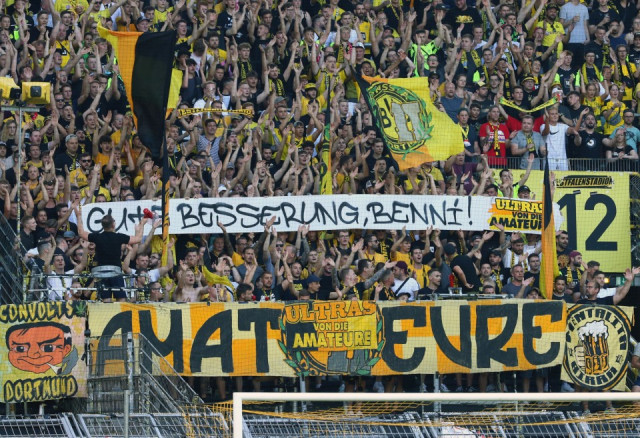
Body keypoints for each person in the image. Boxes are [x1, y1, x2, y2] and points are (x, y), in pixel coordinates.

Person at [75, 207, 147, 302]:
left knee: (106, 300)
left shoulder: (97, 237)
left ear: (102, 226)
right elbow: (138, 239)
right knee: (121, 299)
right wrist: (142, 224)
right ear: (113, 225)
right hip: (115, 272)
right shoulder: (119, 237)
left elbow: (81, 233)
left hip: (101, 273)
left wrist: (78, 216)